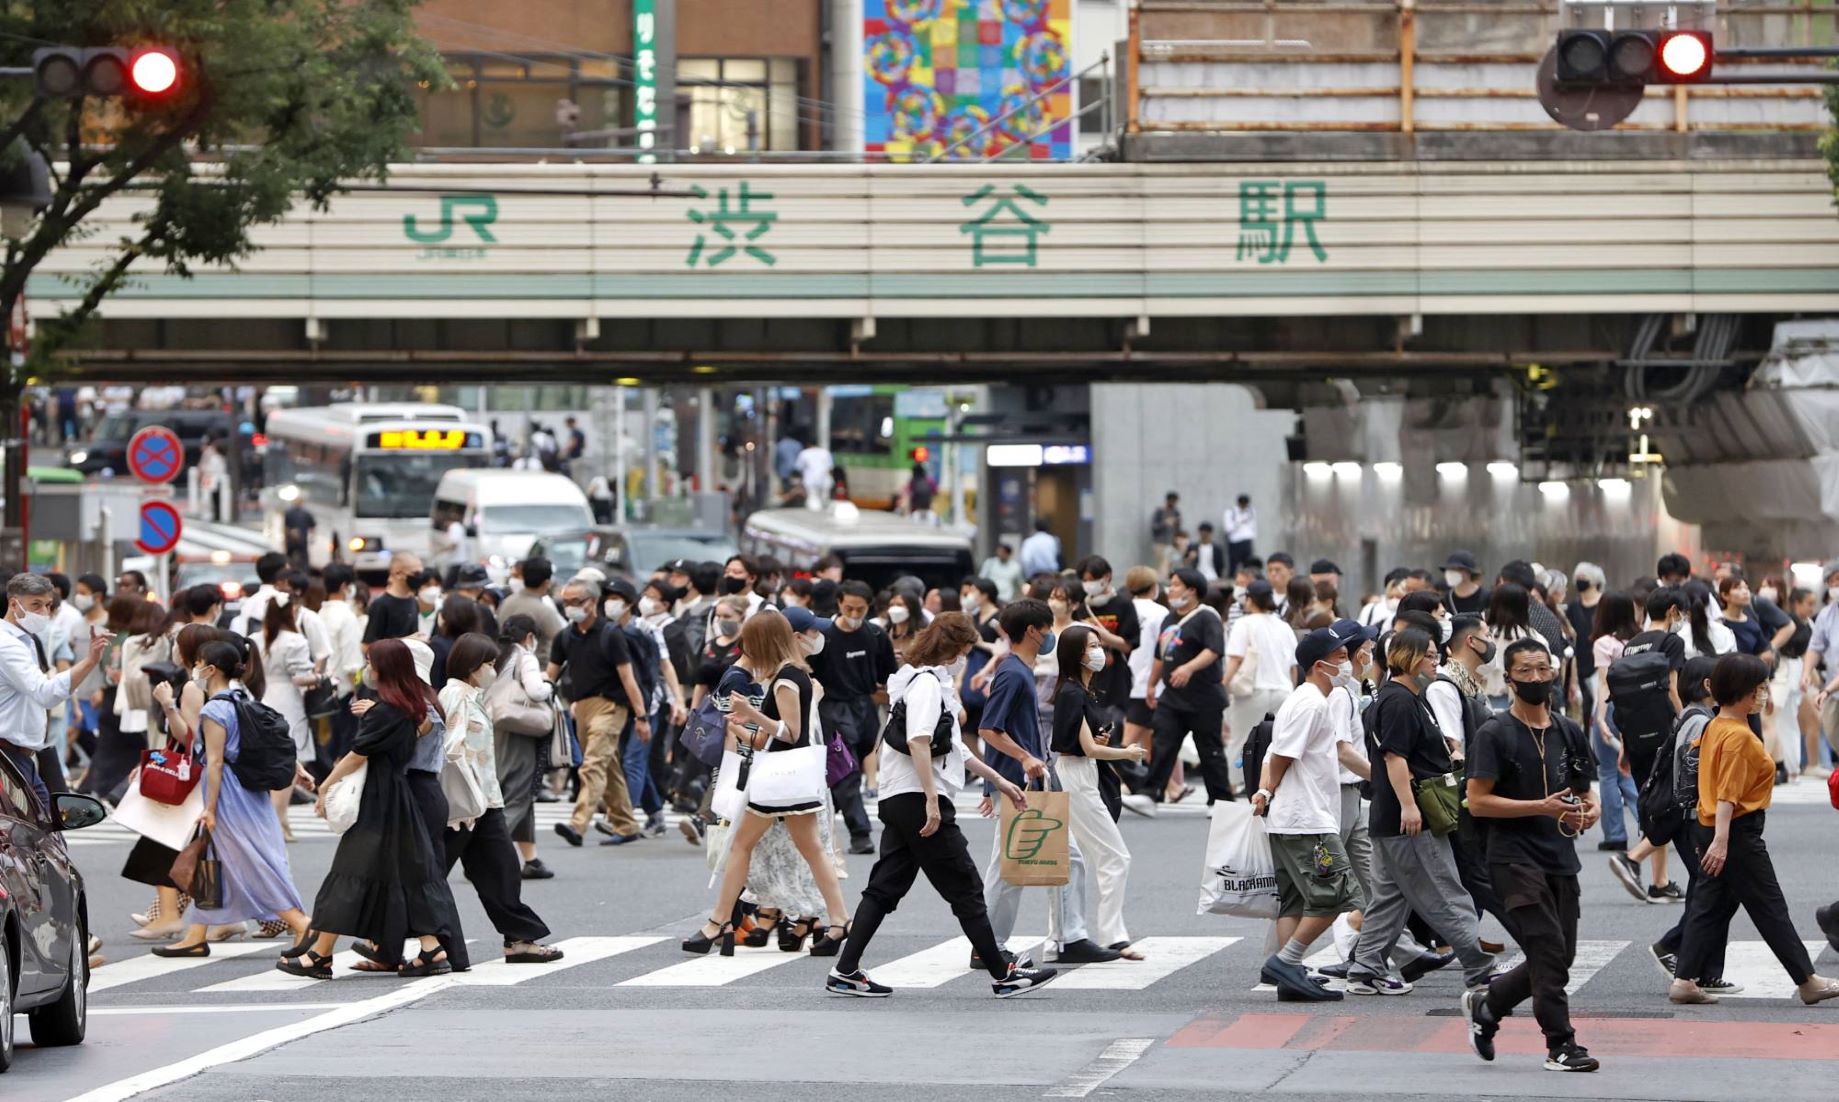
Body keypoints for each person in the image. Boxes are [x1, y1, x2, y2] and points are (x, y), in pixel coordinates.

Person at [826, 614, 1058, 998]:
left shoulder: (913, 681)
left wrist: (1000, 780)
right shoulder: (929, 685)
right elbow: (919, 741)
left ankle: (845, 970)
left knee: (885, 887)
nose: (965, 660)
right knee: (964, 885)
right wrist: (933, 800)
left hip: (900, 796)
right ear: (952, 649)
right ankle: (1003, 974)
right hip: (918, 797)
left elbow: (954, 746)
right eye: (966, 652)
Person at [280, 638, 464, 979]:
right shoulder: (415, 708)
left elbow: (357, 754)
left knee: (348, 875)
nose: (368, 667)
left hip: (379, 803)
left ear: (385, 669)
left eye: (371, 661)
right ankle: (431, 949)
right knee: (406, 877)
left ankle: (320, 956)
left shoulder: (388, 710)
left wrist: (326, 785)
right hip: (398, 800)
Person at [1463, 638, 1602, 1074]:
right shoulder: (1494, 733)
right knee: (1545, 948)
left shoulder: (1568, 730)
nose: (1537, 678)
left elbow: (1584, 790)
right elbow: (1477, 801)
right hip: (1511, 857)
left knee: (1560, 956)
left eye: (1544, 669)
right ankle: (1561, 1045)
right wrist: (1539, 807)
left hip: (1559, 855)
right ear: (1508, 679)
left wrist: (1590, 810)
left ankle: (1489, 1005)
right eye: (1526, 671)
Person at [1668, 654, 1839, 1006]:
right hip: (1734, 831)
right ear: (1745, 692)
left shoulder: (1715, 724)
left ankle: (1685, 979)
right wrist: (1722, 839)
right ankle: (1807, 980)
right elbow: (1729, 792)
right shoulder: (1738, 736)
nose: (1764, 695)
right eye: (1760, 688)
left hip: (1710, 825)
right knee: (1769, 906)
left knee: (1709, 903)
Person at [683, 611, 853, 955]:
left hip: (781, 781)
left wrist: (751, 713)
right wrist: (740, 728)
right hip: (791, 780)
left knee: (742, 846)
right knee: (810, 851)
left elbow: (789, 733)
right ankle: (838, 922)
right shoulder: (792, 676)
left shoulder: (787, 680)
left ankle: (718, 922)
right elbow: (772, 738)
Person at [1347, 627, 1498, 995]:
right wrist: (1410, 807)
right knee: (1446, 891)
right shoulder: (1399, 700)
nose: (1437, 661)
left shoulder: (1407, 697)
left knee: (1389, 899)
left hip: (1392, 817)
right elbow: (1394, 758)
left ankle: (1365, 968)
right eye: (1430, 656)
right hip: (1409, 818)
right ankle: (1479, 966)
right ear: (1409, 659)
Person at [149, 637, 312, 957]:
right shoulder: (242, 697)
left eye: (197, 663)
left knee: (250, 862)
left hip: (228, 795)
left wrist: (210, 808)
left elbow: (214, 760)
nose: (194, 668)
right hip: (248, 792)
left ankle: (300, 923)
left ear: (210, 669)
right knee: (213, 863)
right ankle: (196, 934)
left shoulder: (215, 709)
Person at [977, 597, 1116, 966]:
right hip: (1018, 782)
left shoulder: (1020, 669)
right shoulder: (1012, 672)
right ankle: (989, 943)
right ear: (1031, 632)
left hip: (1027, 779)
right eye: (1046, 628)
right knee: (1011, 866)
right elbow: (989, 728)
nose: (1050, 634)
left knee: (1063, 857)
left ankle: (1070, 937)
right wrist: (1019, 762)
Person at [1248, 625, 1367, 1002]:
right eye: (1341, 658)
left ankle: (1291, 976)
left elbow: (1274, 752)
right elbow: (1282, 755)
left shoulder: (1303, 698)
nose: (1348, 664)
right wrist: (1267, 789)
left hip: (1293, 818)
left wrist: (1266, 792)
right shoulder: (1312, 703)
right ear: (1320, 665)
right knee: (1336, 895)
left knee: (1296, 900)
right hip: (1307, 820)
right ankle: (1288, 961)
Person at [437, 633, 562, 964]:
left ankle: (519, 938)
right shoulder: (456, 696)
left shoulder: (474, 694)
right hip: (464, 804)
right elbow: (450, 749)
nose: (494, 670)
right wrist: (466, 790)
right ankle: (392, 942)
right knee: (430, 874)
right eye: (490, 664)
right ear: (472, 666)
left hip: (485, 801)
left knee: (501, 870)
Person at [1048, 624, 1147, 956]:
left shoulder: (1078, 691)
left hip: (1077, 774)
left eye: (1100, 645)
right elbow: (1087, 749)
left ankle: (1059, 939)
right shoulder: (1073, 692)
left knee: (1075, 861)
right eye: (1092, 646)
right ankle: (1111, 936)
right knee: (1114, 857)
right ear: (1077, 654)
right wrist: (1126, 752)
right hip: (1076, 776)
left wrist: (1100, 741)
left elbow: (1084, 741)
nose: (1099, 653)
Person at [548, 576, 650, 847]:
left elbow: (629, 679)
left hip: (611, 706)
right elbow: (551, 675)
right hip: (581, 707)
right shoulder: (565, 636)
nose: (570, 607)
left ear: (593, 602)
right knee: (609, 765)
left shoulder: (611, 633)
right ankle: (626, 825)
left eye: (576, 602)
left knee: (592, 764)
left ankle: (577, 824)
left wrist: (641, 717)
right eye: (566, 602)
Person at [0, 574, 109, 810]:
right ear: (13, 604)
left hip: (22, 757)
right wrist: (90, 661)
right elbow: (45, 692)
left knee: (43, 832)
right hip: (8, 758)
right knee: (32, 837)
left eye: (47, 605)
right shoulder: (7, 645)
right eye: (35, 605)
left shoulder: (23, 641)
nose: (42, 612)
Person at [1607, 589, 1688, 904]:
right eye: (1680, 614)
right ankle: (1632, 858)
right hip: (1665, 735)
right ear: (1672, 611)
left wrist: (1624, 745)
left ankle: (1660, 882)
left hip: (1636, 738)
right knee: (1673, 804)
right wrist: (1688, 721)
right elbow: (1671, 689)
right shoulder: (1671, 642)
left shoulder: (1631, 646)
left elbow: (1628, 701)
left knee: (1654, 806)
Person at [809, 587, 896, 855]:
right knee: (845, 769)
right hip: (832, 707)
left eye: (860, 609)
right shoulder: (824, 636)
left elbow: (888, 672)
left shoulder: (875, 634)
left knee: (853, 764)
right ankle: (860, 832)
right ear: (839, 604)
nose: (855, 614)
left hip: (864, 705)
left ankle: (823, 814)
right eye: (849, 608)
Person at [1143, 568, 1232, 805]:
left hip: (1204, 697)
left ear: (1192, 590)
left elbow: (1213, 650)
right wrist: (1151, 684)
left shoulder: (1206, 616)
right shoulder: (1168, 618)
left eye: (1175, 585)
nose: (1170, 590)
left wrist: (1188, 668)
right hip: (1172, 697)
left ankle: (1220, 799)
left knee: (1209, 749)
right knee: (1162, 743)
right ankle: (1150, 794)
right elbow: (1160, 655)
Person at [493, 614, 556, 880]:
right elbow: (535, 691)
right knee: (518, 793)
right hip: (521, 729)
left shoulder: (498, 654)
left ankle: (532, 860)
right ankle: (487, 855)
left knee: (516, 793)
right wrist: (548, 684)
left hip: (496, 727)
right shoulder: (525, 657)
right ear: (529, 637)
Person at [253, 590, 319, 840]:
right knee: (290, 758)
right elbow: (300, 676)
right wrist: (321, 678)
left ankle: (272, 819)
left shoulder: (254, 638)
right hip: (287, 700)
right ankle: (279, 819)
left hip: (259, 696)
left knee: (268, 758)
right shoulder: (295, 641)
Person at [1224, 579, 1297, 790]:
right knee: (1278, 742)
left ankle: (1233, 784)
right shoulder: (1283, 626)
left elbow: (1236, 658)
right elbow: (1293, 666)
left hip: (1252, 692)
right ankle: (1273, 784)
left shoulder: (1244, 624)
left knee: (1240, 740)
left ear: (1250, 599)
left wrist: (1223, 683)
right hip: (1283, 692)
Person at [1588, 593, 1642, 852]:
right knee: (1631, 769)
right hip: (1638, 708)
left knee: (1608, 772)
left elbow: (1603, 681)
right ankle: (1650, 824)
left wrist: (1599, 716)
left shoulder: (1604, 643)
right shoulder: (1640, 640)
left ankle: (1615, 834)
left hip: (1611, 706)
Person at [498, 556, 568, 658]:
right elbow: (562, 642)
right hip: (537, 668)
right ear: (547, 583)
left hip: (506, 664)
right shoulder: (544, 611)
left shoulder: (506, 603)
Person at [1567, 563, 1607, 719]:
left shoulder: (1604, 604)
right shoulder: (1573, 607)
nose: (1580, 581)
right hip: (1579, 661)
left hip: (1599, 662)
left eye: (1584, 578)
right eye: (1578, 578)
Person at [362, 552, 424, 648]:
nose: (419, 577)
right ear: (398, 573)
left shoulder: (413, 601)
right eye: (415, 573)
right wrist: (407, 641)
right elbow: (367, 646)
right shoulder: (381, 604)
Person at [1443, 551, 1489, 615]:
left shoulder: (1487, 597)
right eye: (1448, 569)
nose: (1450, 573)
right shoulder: (1446, 598)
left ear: (1468, 572)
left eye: (1454, 569)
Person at [794, 437, 835, 508]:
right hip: (824, 479)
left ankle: (815, 513)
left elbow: (798, 467)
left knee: (812, 498)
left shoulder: (804, 453)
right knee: (824, 499)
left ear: (808, 444)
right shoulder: (825, 452)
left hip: (810, 480)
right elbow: (830, 467)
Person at [1150, 492, 1182, 577]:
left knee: (1171, 566)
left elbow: (1178, 529)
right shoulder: (1159, 511)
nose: (1173, 503)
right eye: (1172, 501)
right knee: (1160, 566)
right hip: (1160, 543)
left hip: (1172, 543)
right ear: (1168, 500)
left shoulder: (1176, 512)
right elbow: (1154, 527)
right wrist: (1165, 522)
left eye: (1175, 501)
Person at [1223, 494, 1256, 575]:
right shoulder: (1230, 512)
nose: (1245, 506)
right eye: (1243, 504)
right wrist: (1239, 522)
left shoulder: (1251, 511)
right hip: (1235, 541)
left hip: (1247, 540)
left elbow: (1253, 525)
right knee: (1233, 564)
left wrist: (1252, 536)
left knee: (1248, 564)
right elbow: (1227, 528)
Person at [199, 435, 229, 522]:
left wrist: (203, 470)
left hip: (212, 480)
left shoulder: (215, 458)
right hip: (218, 481)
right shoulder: (221, 458)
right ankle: (217, 515)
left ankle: (213, 515)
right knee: (217, 500)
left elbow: (208, 468)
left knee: (210, 499)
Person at [282, 500, 317, 569]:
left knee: (289, 556)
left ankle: (288, 569)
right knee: (304, 557)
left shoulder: (288, 513)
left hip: (291, 539)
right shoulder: (307, 513)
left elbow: (286, 527)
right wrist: (312, 537)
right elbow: (312, 527)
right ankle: (305, 571)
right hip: (302, 538)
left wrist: (285, 539)